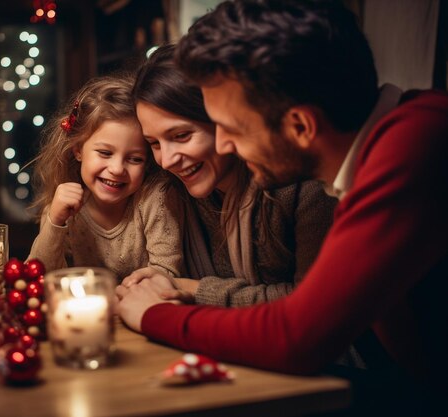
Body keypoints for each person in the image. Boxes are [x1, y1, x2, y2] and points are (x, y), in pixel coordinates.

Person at [116, 0, 447, 413]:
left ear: (301, 126)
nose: (223, 146)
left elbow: (298, 336)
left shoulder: (414, 148)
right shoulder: (384, 147)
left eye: (233, 129)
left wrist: (152, 314)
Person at [127, 44, 339, 311]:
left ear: (225, 123)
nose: (167, 161)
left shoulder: (299, 186)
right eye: (154, 143)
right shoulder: (171, 192)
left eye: (181, 136)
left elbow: (313, 303)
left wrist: (190, 288)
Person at [27, 75, 184, 281]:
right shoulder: (63, 209)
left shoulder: (155, 200)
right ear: (78, 150)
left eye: (135, 159)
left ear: (147, 163)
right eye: (105, 153)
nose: (117, 169)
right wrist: (55, 221)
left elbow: (167, 275)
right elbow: (38, 278)